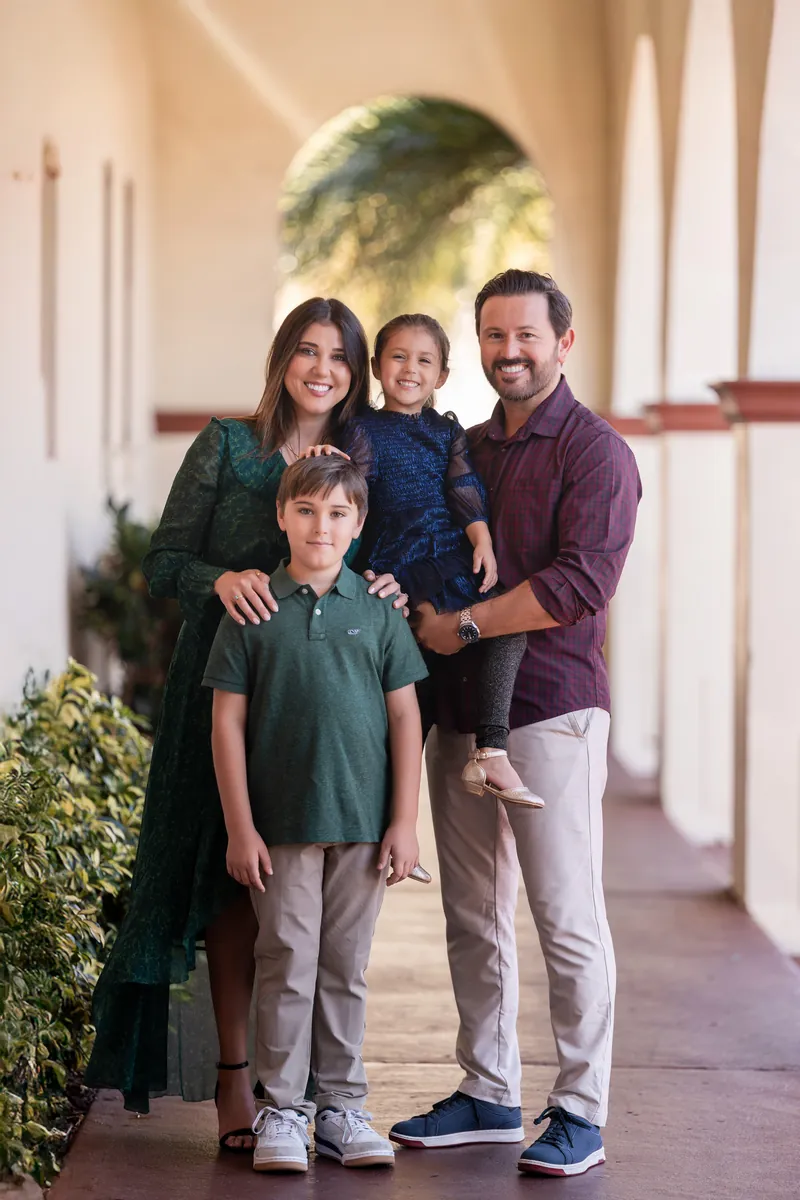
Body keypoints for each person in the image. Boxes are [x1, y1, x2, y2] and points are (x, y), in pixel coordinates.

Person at [85, 297, 406, 1151]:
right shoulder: (228, 445)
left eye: (339, 356)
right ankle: (238, 1080)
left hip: (317, 703)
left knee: (310, 910)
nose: (322, 369)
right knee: (234, 880)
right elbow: (164, 560)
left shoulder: (360, 460)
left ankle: (302, 1092)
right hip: (223, 686)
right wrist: (219, 580)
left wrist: (387, 586)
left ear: (355, 370)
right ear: (282, 359)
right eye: (306, 350)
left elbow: (372, 553)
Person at [388, 270, 641, 1178]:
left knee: (565, 915)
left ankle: (581, 1109)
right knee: (473, 915)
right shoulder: (470, 452)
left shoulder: (596, 452)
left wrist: (460, 625)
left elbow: (581, 585)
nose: (509, 353)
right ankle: (489, 1089)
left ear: (563, 342)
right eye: (494, 337)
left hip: (552, 713)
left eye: (526, 336)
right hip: (463, 712)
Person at [203, 454, 427, 1173]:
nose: (320, 527)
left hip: (362, 826)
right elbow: (226, 725)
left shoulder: (380, 612)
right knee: (287, 961)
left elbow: (404, 720)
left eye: (337, 515)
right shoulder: (252, 609)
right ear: (281, 515)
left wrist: (404, 821)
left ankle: (341, 1106)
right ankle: (282, 1110)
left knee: (345, 966)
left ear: (358, 524)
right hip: (280, 829)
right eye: (306, 511)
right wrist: (241, 826)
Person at [347, 312, 542, 809]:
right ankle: (389, 819)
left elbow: (463, 487)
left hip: (449, 555)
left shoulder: (447, 431)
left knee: (504, 624)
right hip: (397, 561)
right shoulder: (361, 430)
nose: (410, 368)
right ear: (376, 366)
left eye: (425, 360)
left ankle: (491, 748)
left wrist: (482, 538)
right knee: (409, 691)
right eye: (398, 356)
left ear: (442, 376)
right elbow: (353, 494)